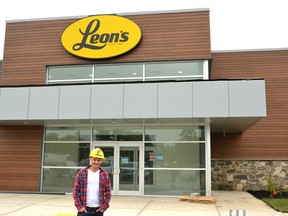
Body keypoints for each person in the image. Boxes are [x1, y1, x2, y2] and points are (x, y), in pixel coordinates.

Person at [73, 148, 111, 216]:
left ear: (101, 160)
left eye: (99, 160)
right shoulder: (81, 173)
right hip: (84, 210)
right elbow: (75, 191)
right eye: (94, 159)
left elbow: (108, 192)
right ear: (90, 159)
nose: (96, 162)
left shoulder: (105, 175)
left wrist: (104, 207)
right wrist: (79, 207)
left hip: (98, 211)